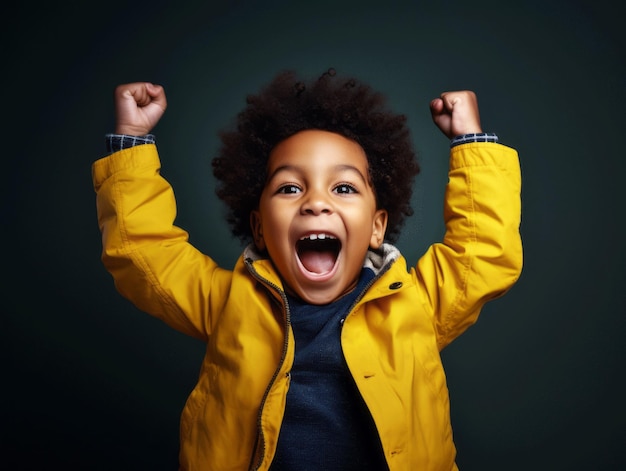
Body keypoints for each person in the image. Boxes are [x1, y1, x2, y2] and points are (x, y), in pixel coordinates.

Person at [92, 69, 523, 471]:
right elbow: (144, 253)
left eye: (343, 187)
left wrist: (472, 141)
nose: (316, 202)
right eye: (290, 187)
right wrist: (132, 141)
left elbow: (482, 250)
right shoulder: (228, 302)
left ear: (377, 227)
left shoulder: (417, 305)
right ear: (259, 228)